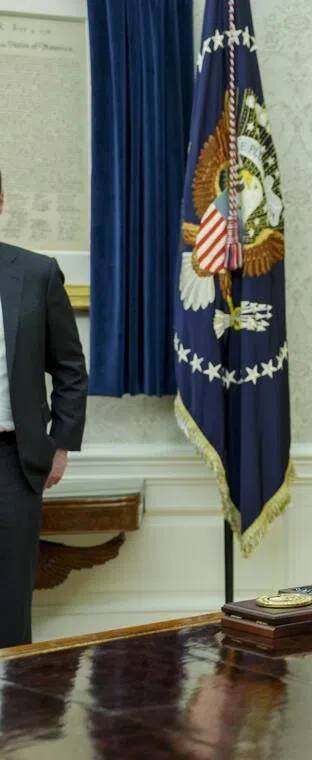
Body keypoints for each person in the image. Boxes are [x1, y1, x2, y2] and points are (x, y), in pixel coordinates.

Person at [0, 168, 88, 648]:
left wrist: (60, 445)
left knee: (10, 602)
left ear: (0, 203)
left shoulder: (35, 274)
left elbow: (70, 368)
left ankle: (12, 719)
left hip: (13, 462)